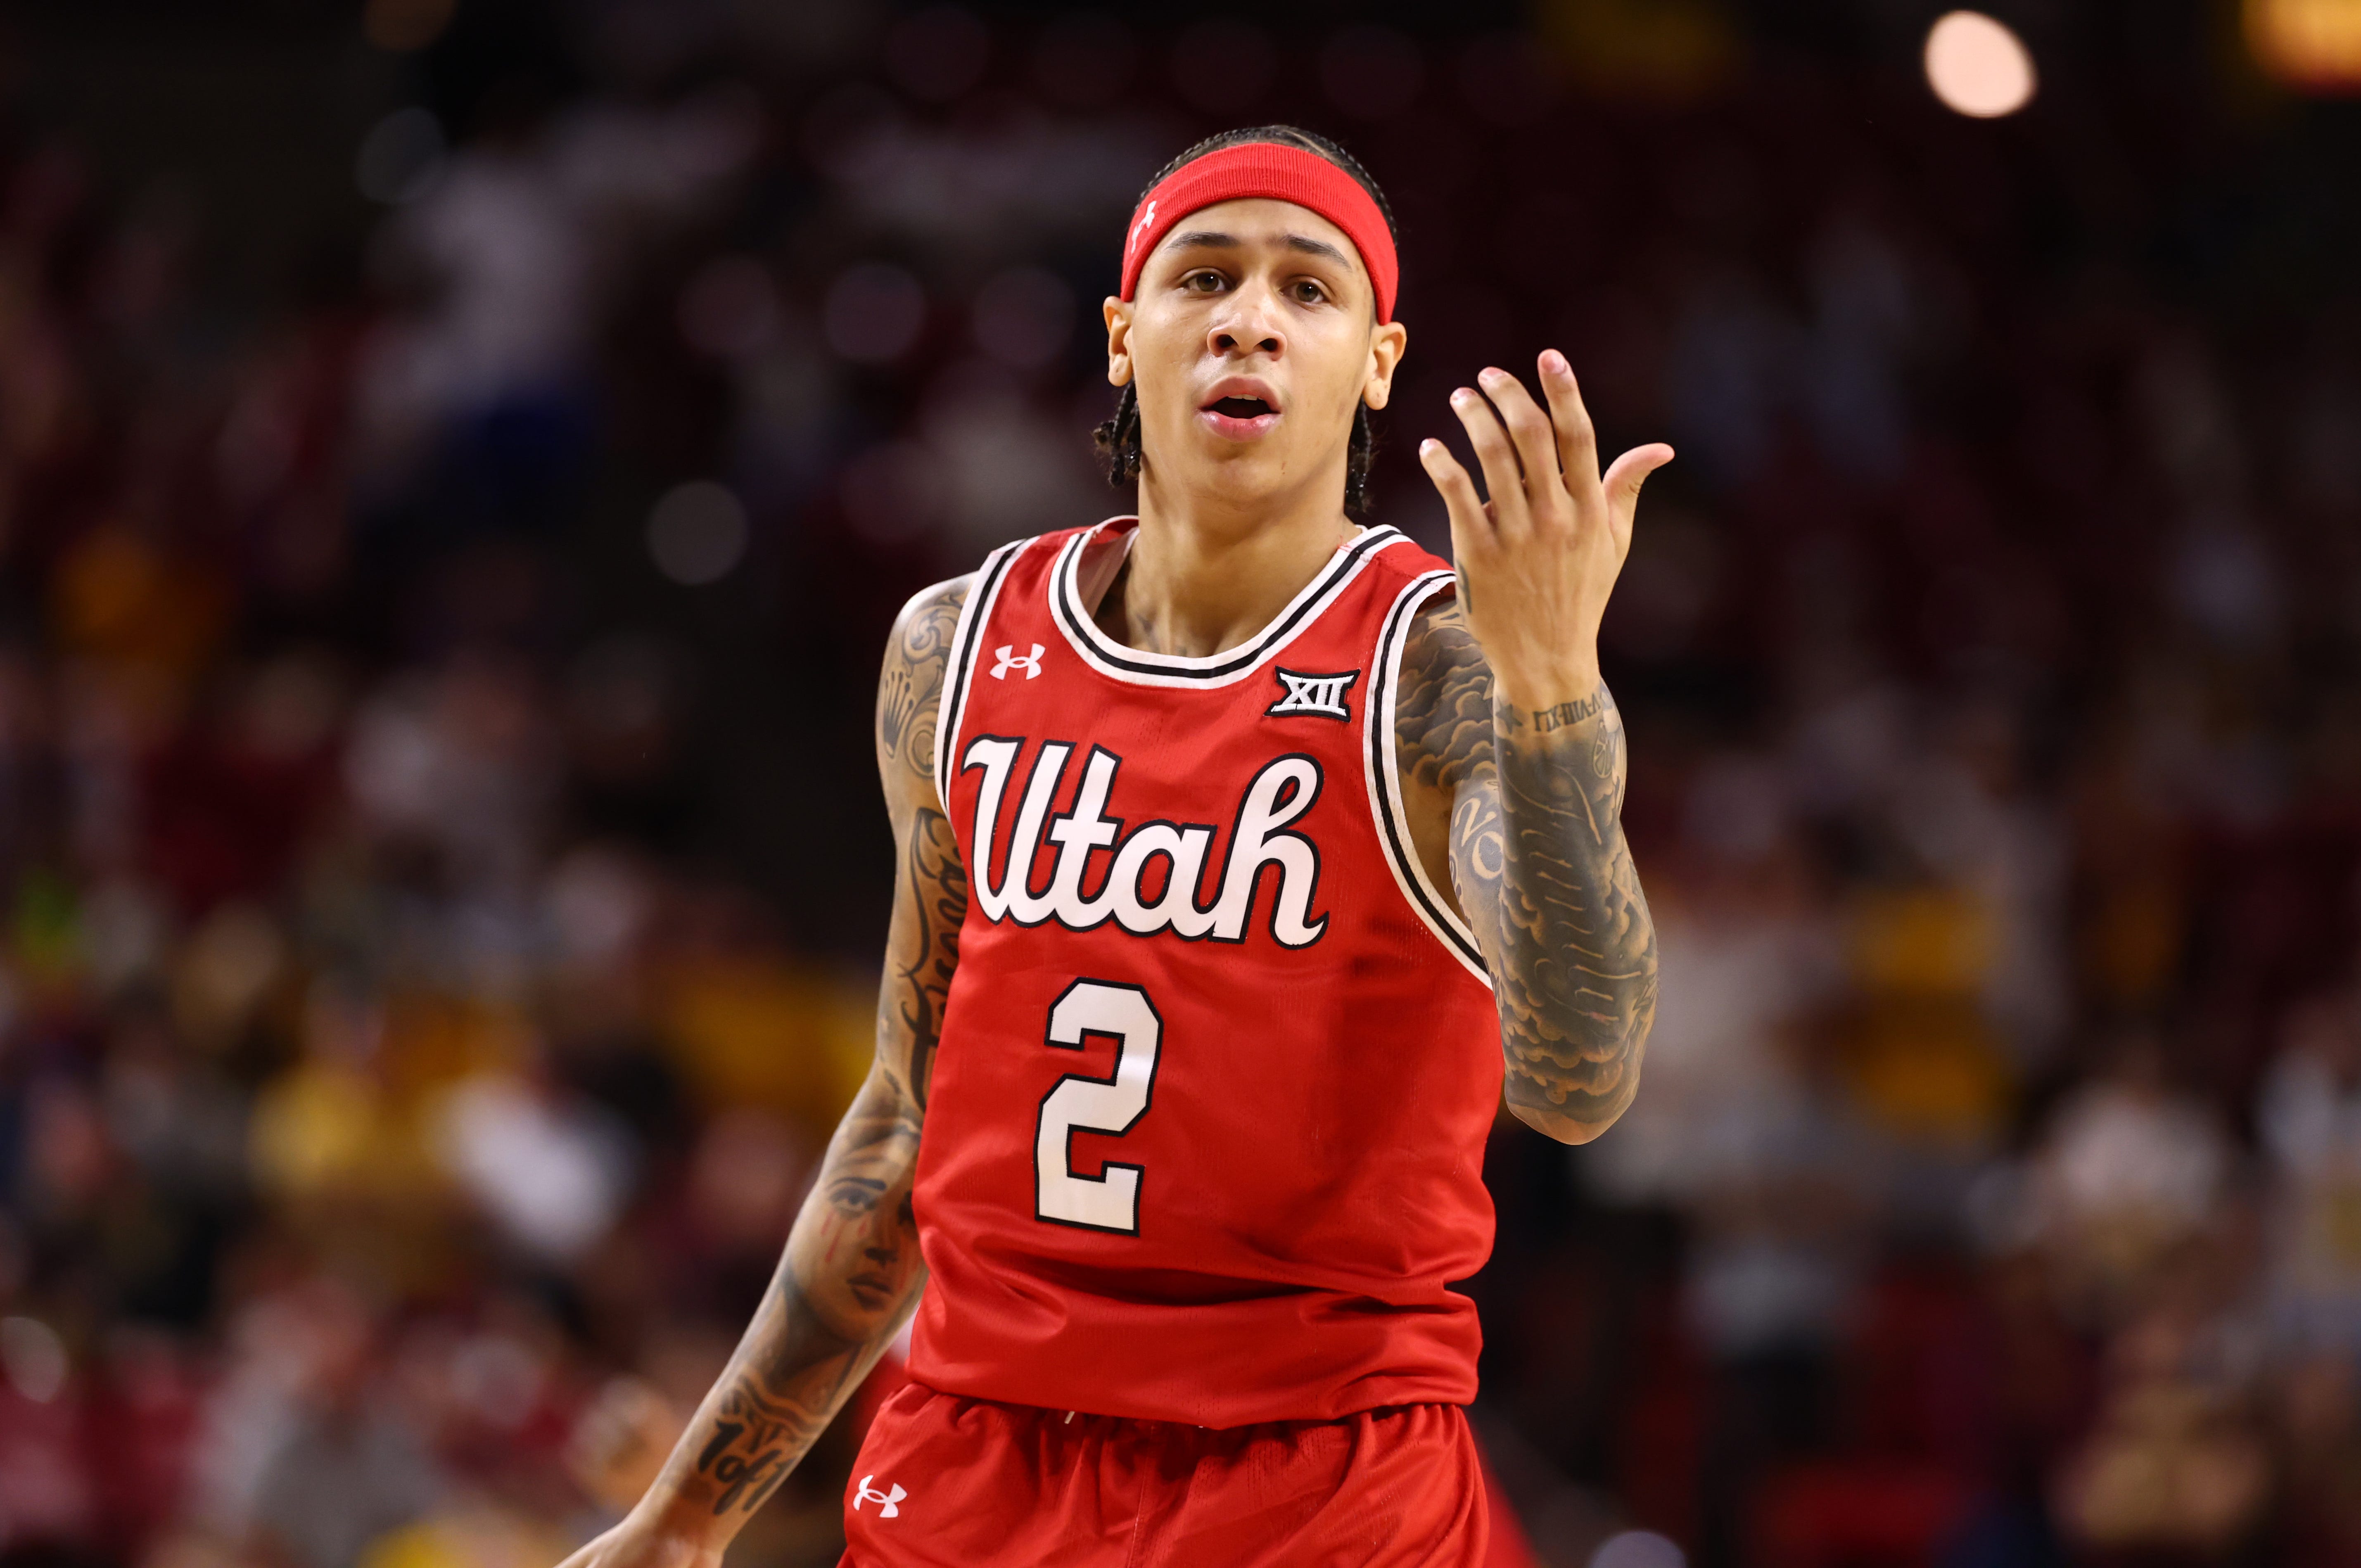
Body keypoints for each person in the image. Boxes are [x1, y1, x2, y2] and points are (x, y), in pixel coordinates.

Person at [558, 125, 1666, 1567]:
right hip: (974, 1453)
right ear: (1122, 336)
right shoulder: (954, 649)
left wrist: (1555, 690)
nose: (1249, 318)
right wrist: (684, 1517)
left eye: (1309, 288)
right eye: (1204, 277)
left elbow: (1581, 1084)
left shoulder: (1445, 675)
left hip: (1315, 1475)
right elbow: (903, 1122)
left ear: (1379, 362)